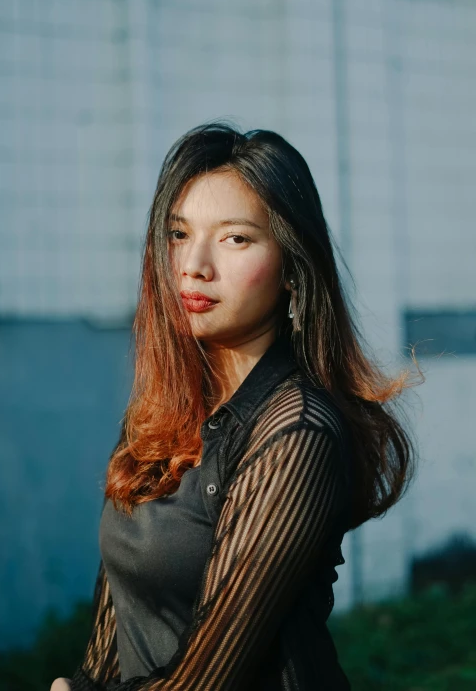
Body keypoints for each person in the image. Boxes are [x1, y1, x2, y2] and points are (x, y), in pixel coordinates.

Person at [52, 120, 420, 691]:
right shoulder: (164, 407)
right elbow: (118, 607)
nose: (194, 265)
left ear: (293, 269)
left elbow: (207, 680)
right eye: (178, 234)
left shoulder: (299, 432)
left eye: (235, 238)